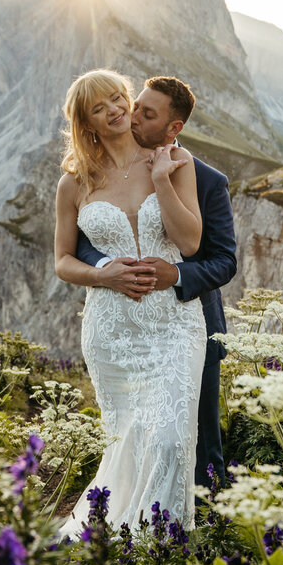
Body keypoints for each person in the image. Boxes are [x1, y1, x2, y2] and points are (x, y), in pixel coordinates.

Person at [53, 69, 207, 532]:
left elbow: (192, 243)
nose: (115, 110)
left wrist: (162, 180)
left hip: (175, 324)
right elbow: (62, 261)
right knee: (128, 440)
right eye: (99, 108)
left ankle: (163, 544)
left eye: (118, 98)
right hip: (112, 330)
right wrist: (103, 274)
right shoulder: (75, 182)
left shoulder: (177, 161)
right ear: (88, 124)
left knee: (173, 439)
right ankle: (120, 540)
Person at [76, 75, 236, 496]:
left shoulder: (205, 179)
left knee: (198, 440)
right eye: (135, 105)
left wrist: (177, 274)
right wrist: (111, 266)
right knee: (135, 435)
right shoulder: (99, 173)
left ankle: (210, 535)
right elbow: (82, 244)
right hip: (122, 325)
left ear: (173, 128)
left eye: (146, 114)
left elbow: (223, 260)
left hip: (186, 322)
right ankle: (139, 525)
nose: (130, 116)